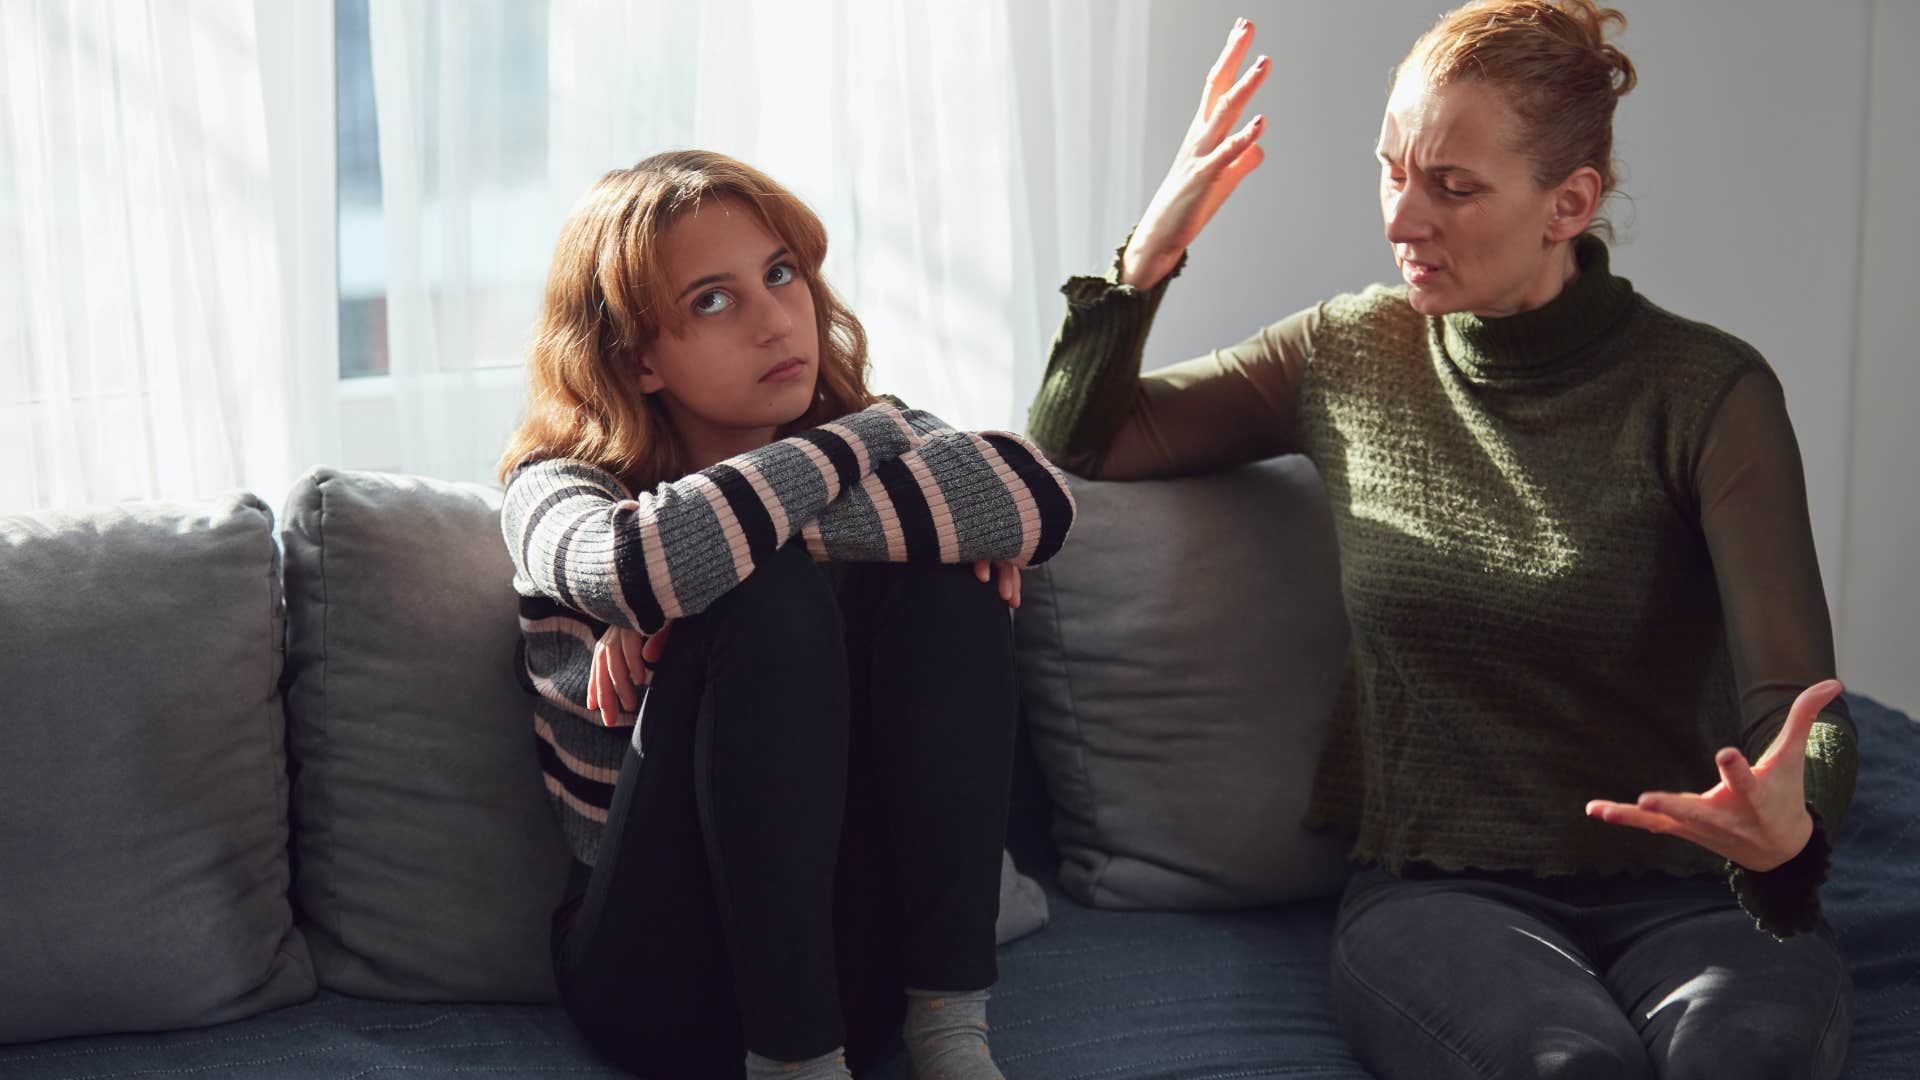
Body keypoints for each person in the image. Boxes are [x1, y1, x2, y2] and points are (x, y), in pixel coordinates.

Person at [1026, 3, 1855, 1077]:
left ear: (1570, 204)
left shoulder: (1707, 392)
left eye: (1453, 187)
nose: (1402, 219)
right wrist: (1151, 253)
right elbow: (1078, 440)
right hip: (1442, 895)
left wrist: (1791, 831)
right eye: (1392, 172)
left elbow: (1800, 710)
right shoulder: (1344, 351)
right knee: (1568, 1068)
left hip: (1696, 890)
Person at [500, 149, 1074, 1080]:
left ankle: (949, 1031)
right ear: (638, 358)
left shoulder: (855, 433)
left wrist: (717, 562)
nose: (777, 321)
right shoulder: (556, 489)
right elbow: (640, 559)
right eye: (713, 301)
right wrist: (878, 452)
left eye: (781, 275)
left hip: (857, 965)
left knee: (942, 583)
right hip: (658, 974)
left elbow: (1035, 499)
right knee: (757, 592)